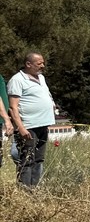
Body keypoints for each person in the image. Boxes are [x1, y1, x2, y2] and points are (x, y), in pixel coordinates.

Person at [8, 52, 56, 187]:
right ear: (28, 64)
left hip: (42, 125)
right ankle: (25, 192)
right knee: (27, 160)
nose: (43, 66)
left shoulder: (41, 78)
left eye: (43, 62)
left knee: (39, 159)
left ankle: (34, 189)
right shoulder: (17, 80)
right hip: (28, 126)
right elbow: (13, 107)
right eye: (39, 63)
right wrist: (21, 128)